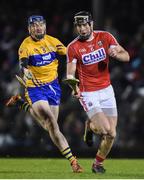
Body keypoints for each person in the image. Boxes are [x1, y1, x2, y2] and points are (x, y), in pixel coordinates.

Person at [6, 15, 83, 173]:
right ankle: (73, 161)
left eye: (41, 24)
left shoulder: (53, 42)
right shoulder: (25, 45)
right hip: (35, 88)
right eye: (34, 25)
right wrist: (26, 72)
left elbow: (70, 53)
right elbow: (23, 64)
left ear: (45, 26)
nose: (38, 27)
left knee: (50, 127)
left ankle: (21, 104)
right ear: (29, 29)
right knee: (50, 121)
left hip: (53, 88)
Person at [66, 11, 130, 173]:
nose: (81, 28)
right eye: (78, 26)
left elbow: (126, 56)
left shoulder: (105, 37)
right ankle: (91, 125)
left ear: (91, 24)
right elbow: (69, 73)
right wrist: (74, 86)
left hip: (107, 90)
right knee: (104, 130)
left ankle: (97, 164)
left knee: (112, 134)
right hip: (89, 93)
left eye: (84, 25)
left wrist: (117, 54)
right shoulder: (73, 47)